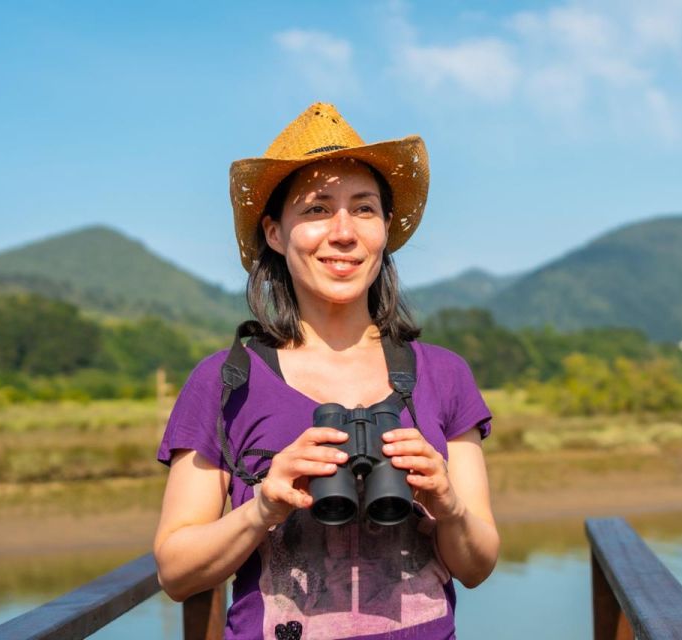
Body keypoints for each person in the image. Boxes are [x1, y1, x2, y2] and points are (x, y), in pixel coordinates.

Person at [153, 103, 499, 640]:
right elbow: (175, 572)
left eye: (363, 209)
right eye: (317, 210)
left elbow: (477, 566)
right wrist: (263, 505)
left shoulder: (444, 375)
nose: (343, 233)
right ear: (274, 232)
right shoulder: (225, 382)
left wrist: (448, 506)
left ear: (384, 229)